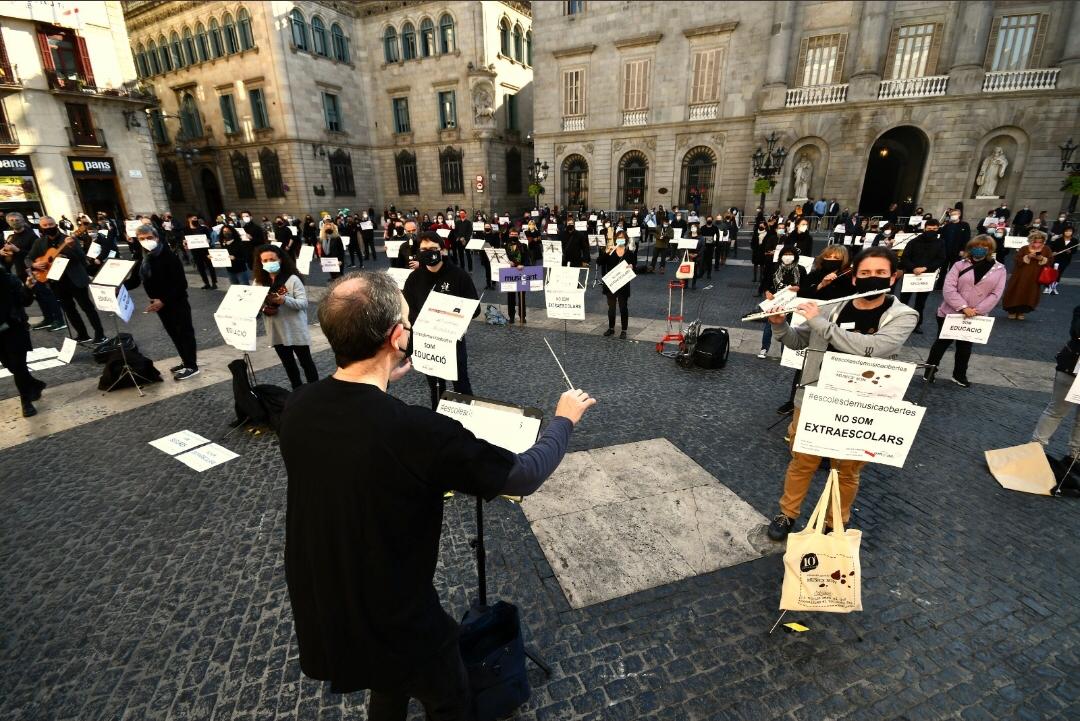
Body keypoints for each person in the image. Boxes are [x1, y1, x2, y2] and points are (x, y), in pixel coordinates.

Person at [279, 270, 594, 720]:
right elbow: (523, 475)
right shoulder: (416, 432)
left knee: (386, 687)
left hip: (329, 605)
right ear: (395, 337)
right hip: (400, 616)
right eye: (406, 323)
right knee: (450, 699)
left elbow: (356, 438)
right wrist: (564, 420)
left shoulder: (298, 407)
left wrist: (384, 374)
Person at [766, 247, 918, 540]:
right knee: (802, 461)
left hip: (862, 406)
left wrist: (818, 321)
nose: (871, 278)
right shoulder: (832, 307)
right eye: (864, 274)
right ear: (854, 278)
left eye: (879, 273)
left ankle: (836, 519)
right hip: (815, 397)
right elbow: (799, 342)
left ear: (894, 276)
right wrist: (780, 325)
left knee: (846, 469)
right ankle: (787, 514)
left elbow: (870, 349)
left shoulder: (903, 315)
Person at [402, 233, 480, 409]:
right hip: (427, 340)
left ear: (443, 250)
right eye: (424, 250)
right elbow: (409, 309)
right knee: (435, 385)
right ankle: (437, 417)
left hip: (452, 339)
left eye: (433, 249)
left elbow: (475, 309)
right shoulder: (414, 278)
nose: (428, 253)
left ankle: (468, 417)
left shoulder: (459, 276)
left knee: (460, 382)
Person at [924, 235, 1007, 388]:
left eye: (984, 246)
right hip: (950, 312)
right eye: (977, 245)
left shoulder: (999, 269)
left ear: (990, 249)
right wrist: (963, 307)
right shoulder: (959, 265)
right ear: (971, 247)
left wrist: (977, 310)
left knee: (965, 347)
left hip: (976, 315)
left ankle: (959, 375)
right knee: (941, 343)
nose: (980, 248)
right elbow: (949, 288)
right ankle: (929, 371)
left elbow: (996, 294)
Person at [134, 224, 199, 380]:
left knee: (184, 333)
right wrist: (119, 286)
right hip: (160, 305)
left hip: (176, 302)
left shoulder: (168, 256)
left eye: (149, 238)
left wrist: (163, 300)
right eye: (142, 239)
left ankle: (192, 366)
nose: (146, 241)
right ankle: (185, 361)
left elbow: (181, 284)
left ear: (156, 237)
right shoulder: (145, 257)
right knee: (174, 334)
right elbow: (135, 280)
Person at [29, 216, 106, 344]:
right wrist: (34, 265)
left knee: (87, 307)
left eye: (50, 224)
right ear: (41, 227)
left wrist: (71, 248)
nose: (48, 227)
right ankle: (82, 334)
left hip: (75, 278)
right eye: (45, 225)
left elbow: (82, 259)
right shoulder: (39, 242)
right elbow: (29, 258)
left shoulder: (69, 239)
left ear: (56, 224)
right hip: (56, 281)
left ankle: (100, 334)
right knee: (69, 309)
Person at [253, 245, 319, 389]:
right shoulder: (258, 282)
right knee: (288, 365)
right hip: (276, 331)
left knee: (306, 362)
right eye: (265, 260)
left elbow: (303, 303)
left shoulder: (292, 279)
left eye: (272, 259)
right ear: (260, 262)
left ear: (280, 260)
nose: (269, 262)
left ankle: (315, 391)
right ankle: (297, 390)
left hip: (295, 329)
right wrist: (264, 307)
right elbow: (254, 304)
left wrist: (284, 300)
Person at [0, 241, 46, 417]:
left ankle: (25, 401)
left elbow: (24, 301)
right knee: (10, 365)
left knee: (18, 366)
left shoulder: (7, 278)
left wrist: (28, 288)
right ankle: (34, 384)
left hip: (14, 326)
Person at [1032, 304, 1080, 460]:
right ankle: (1036, 448)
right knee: (1056, 410)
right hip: (1071, 368)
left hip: (1070, 365)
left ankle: (1075, 453)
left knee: (1056, 411)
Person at [5, 212, 65, 331]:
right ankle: (48, 319)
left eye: (17, 219)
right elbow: (10, 257)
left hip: (36, 270)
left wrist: (17, 250)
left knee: (47, 295)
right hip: (21, 270)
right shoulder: (10, 237)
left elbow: (38, 255)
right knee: (38, 296)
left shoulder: (32, 235)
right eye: (11, 220)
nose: (14, 222)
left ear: (23, 220)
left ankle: (59, 320)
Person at [898, 217, 945, 333]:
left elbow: (941, 259)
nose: (932, 231)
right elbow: (905, 258)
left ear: (938, 229)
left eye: (935, 229)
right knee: (904, 301)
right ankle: (899, 322)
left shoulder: (940, 243)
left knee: (921, 303)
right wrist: (913, 268)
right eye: (929, 228)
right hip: (910, 274)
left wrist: (926, 268)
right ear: (924, 228)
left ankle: (917, 324)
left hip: (927, 276)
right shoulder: (913, 242)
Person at [758, 247, 806, 359]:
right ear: (781, 256)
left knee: (788, 327)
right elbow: (765, 282)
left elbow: (806, 287)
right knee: (769, 326)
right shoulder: (774, 267)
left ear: (795, 256)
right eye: (785, 254)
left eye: (790, 254)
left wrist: (799, 289)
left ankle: (784, 352)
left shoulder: (801, 270)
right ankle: (764, 348)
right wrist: (767, 291)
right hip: (775, 302)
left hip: (792, 303)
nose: (788, 256)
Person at [1002, 231, 1052, 320]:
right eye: (1035, 241)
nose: (1037, 244)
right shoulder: (1024, 248)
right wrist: (1028, 256)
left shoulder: (1046, 249)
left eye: (1040, 242)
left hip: (1035, 276)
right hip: (1020, 275)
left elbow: (1050, 260)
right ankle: (1012, 311)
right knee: (1016, 290)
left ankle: (1022, 311)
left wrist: (1042, 259)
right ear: (1031, 240)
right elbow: (1017, 259)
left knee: (1030, 293)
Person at [599, 230, 636, 339]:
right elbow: (599, 261)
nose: (621, 239)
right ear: (616, 239)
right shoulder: (611, 251)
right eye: (619, 237)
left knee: (623, 307)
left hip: (623, 285)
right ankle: (611, 328)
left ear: (626, 240)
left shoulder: (629, 253)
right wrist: (606, 252)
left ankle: (624, 330)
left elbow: (634, 266)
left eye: (623, 237)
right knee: (611, 308)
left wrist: (632, 267)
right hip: (611, 284)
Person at [503, 229, 530, 325]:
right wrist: (507, 262)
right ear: (509, 235)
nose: (513, 235)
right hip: (510, 273)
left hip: (521, 272)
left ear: (518, 235)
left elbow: (527, 259)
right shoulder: (505, 246)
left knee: (522, 295)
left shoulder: (523, 246)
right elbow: (502, 259)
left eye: (515, 234)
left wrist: (523, 265)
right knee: (510, 296)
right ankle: (511, 316)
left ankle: (522, 316)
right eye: (511, 234)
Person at [183, 214, 218, 290]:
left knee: (210, 266)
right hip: (195, 251)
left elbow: (209, 238)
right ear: (189, 219)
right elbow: (185, 240)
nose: (196, 220)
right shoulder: (186, 229)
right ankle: (206, 283)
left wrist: (208, 240)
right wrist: (185, 243)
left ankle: (214, 282)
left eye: (196, 218)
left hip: (205, 250)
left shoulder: (203, 228)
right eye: (194, 218)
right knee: (200, 268)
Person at [1047, 225, 1076, 295]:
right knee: (1053, 272)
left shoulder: (1075, 240)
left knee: (1059, 273)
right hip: (1056, 258)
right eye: (1066, 231)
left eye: (1070, 231)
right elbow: (1052, 248)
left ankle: (1054, 287)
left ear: (1072, 232)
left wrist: (1070, 251)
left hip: (1066, 260)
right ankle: (1049, 286)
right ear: (1064, 232)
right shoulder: (1058, 240)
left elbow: (1074, 251)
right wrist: (1053, 252)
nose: (1068, 232)